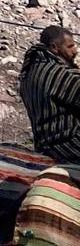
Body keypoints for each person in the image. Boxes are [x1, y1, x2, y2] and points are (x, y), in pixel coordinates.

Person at [18, 25, 80, 163]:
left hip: (43, 145)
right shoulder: (60, 74)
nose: (75, 51)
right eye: (70, 47)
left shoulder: (28, 72)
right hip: (67, 145)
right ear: (54, 47)